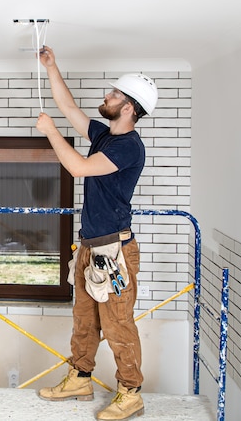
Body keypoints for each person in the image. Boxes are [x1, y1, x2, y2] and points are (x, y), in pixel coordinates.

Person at [35, 46, 158, 421]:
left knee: (118, 323)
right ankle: (80, 377)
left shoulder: (128, 147)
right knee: (84, 320)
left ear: (128, 108)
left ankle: (130, 392)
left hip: (115, 252)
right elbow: (69, 108)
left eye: (115, 94)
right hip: (91, 246)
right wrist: (52, 68)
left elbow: (78, 168)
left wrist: (51, 133)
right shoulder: (106, 135)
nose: (108, 96)